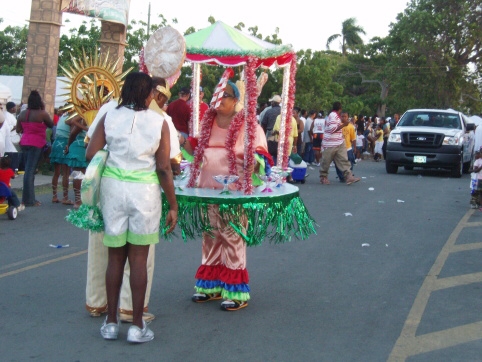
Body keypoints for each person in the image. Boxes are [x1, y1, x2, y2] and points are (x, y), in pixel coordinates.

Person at [86, 72, 178, 343]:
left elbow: (91, 153)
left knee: (115, 258)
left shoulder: (109, 115)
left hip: (113, 190)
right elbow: (163, 167)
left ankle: (111, 322)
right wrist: (173, 204)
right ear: (149, 94)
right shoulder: (158, 121)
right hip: (144, 192)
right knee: (138, 259)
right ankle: (137, 326)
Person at [186, 80, 268, 311]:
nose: (219, 99)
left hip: (234, 192)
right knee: (210, 235)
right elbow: (194, 150)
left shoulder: (248, 125)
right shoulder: (206, 121)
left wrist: (255, 164)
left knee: (232, 235)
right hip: (206, 189)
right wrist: (182, 142)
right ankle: (210, 286)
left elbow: (261, 155)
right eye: (216, 95)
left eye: (225, 96)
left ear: (235, 100)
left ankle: (235, 291)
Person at [16, 90, 54, 207]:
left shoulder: (22, 114)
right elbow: (51, 124)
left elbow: (18, 130)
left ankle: (28, 198)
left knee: (29, 170)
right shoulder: (42, 114)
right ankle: (29, 200)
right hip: (36, 143)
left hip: (24, 142)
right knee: (30, 171)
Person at [319, 102, 360, 185]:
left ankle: (348, 176)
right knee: (326, 161)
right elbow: (332, 129)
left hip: (339, 142)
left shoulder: (335, 116)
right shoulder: (333, 116)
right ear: (340, 109)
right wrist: (344, 125)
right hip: (330, 143)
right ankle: (323, 177)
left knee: (343, 159)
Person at [64, 114, 88, 209]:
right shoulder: (85, 115)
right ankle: (78, 201)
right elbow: (73, 128)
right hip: (79, 147)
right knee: (79, 174)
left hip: (85, 147)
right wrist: (68, 146)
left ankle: (82, 200)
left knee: (84, 175)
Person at [49, 106, 72, 204]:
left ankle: (54, 196)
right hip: (65, 143)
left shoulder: (62, 116)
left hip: (56, 142)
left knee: (56, 172)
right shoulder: (71, 117)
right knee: (65, 173)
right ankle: (65, 198)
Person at [335, 113, 357, 182]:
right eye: (342, 116)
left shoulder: (351, 126)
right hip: (339, 147)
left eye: (345, 116)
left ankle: (349, 175)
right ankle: (341, 177)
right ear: (340, 117)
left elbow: (353, 138)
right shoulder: (338, 126)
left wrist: (355, 147)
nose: (344, 118)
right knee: (338, 163)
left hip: (348, 147)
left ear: (348, 117)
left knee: (350, 161)